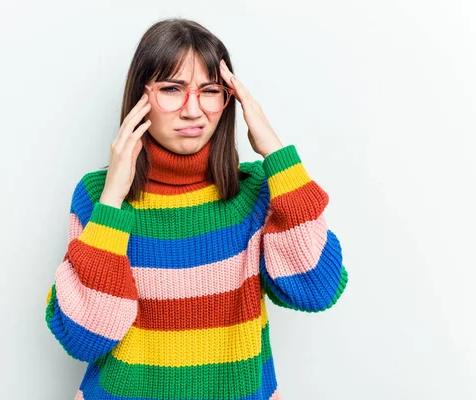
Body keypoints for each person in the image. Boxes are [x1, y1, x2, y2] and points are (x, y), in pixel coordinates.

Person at [45, 17, 349, 400]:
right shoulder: (97, 196)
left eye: (209, 91)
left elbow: (315, 289)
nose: (193, 110)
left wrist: (275, 152)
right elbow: (84, 336)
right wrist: (112, 202)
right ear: (140, 97)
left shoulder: (254, 191)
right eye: (172, 89)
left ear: (230, 99)